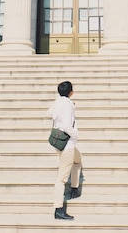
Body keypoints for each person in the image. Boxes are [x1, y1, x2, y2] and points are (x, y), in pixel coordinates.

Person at [48, 80, 82, 221]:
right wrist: (75, 135)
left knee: (78, 160)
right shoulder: (67, 105)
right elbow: (68, 126)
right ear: (71, 92)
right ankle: (58, 209)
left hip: (59, 142)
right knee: (61, 178)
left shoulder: (58, 102)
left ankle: (74, 187)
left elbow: (50, 114)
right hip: (67, 143)